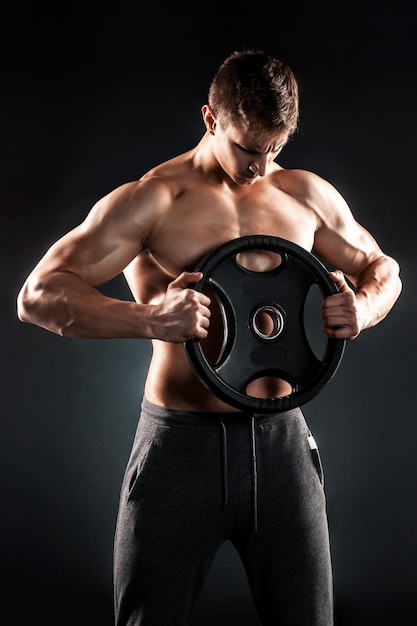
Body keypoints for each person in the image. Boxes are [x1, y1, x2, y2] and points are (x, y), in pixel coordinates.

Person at [17, 49, 401, 625]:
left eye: (275, 147)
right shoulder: (153, 199)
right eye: (248, 148)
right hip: (180, 447)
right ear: (211, 118)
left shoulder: (303, 195)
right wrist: (149, 320)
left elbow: (384, 268)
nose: (259, 164)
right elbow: (39, 295)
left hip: (281, 445)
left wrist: (365, 306)